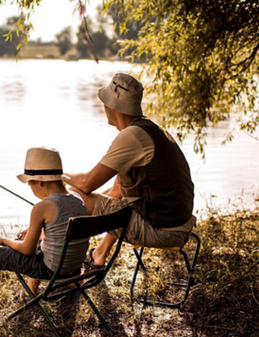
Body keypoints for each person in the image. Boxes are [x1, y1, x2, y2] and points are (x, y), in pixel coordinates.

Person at [64, 73, 196, 267]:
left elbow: (86, 183)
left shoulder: (132, 137)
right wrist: (91, 204)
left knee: (71, 197)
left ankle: (64, 269)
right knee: (113, 198)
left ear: (111, 107)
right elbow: (115, 192)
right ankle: (99, 253)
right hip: (178, 224)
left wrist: (54, 174)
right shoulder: (149, 130)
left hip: (163, 230)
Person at [0, 147, 90, 318]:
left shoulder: (42, 207)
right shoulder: (78, 199)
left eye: (30, 183)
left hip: (51, 269)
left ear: (39, 182)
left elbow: (27, 249)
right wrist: (40, 230)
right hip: (73, 268)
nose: (30, 188)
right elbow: (61, 228)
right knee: (41, 244)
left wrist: (4, 241)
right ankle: (34, 291)